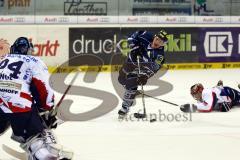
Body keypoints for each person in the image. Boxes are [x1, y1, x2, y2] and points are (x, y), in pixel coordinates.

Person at [0, 37, 73, 160]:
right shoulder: (34, 61)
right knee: (34, 135)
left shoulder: (3, 59)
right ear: (29, 50)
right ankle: (40, 151)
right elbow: (43, 90)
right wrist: (47, 111)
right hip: (19, 107)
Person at [118, 30, 168, 118]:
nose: (157, 42)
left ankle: (125, 107)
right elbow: (133, 35)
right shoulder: (146, 35)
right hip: (131, 61)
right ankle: (132, 91)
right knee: (121, 79)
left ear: (163, 44)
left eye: (160, 42)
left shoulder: (159, 56)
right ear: (154, 37)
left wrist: (145, 77)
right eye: (157, 39)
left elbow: (154, 69)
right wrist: (133, 46)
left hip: (142, 68)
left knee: (131, 84)